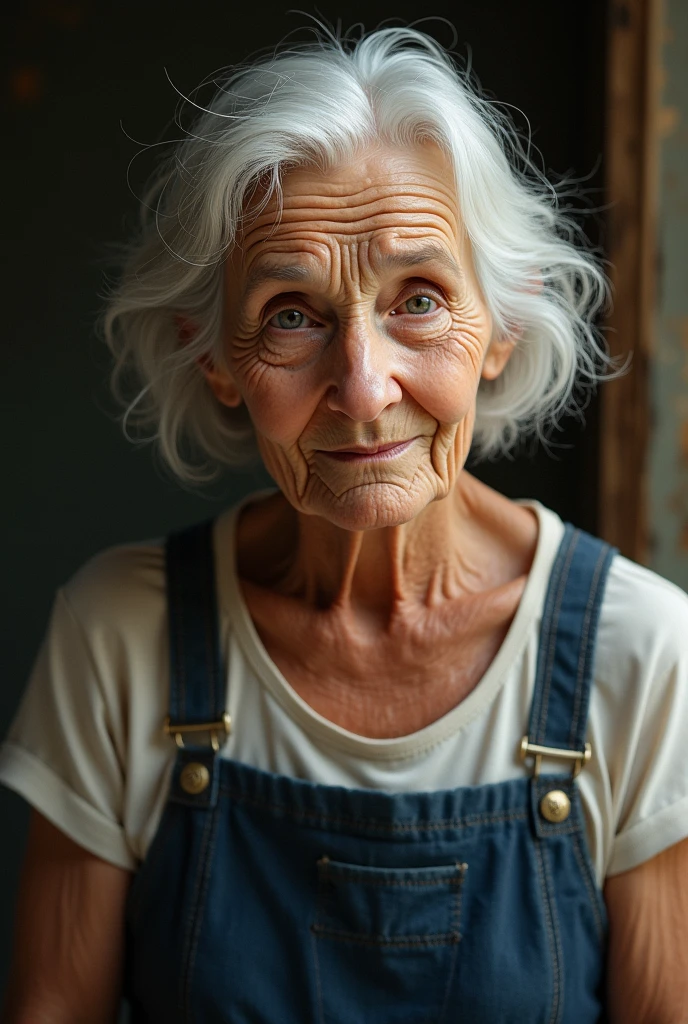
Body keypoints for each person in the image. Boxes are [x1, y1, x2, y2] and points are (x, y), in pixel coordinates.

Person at [2, 23, 688, 1024]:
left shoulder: (644, 653)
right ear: (214, 356)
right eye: (291, 313)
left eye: (419, 298)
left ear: (499, 325)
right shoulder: (120, 634)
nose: (363, 391)